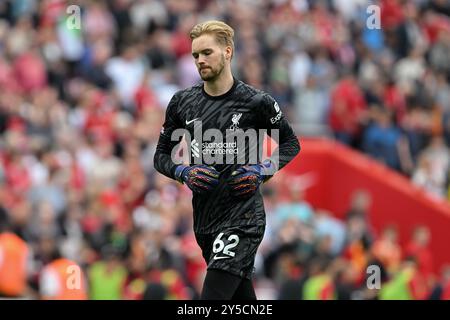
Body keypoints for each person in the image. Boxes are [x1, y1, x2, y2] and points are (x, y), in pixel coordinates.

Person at [153, 20, 300, 300]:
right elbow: (161, 156)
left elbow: (291, 143)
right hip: (206, 220)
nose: (200, 60)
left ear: (228, 52)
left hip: (244, 217)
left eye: (207, 52)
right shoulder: (182, 103)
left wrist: (261, 171)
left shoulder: (257, 102)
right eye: (195, 55)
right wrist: (183, 172)